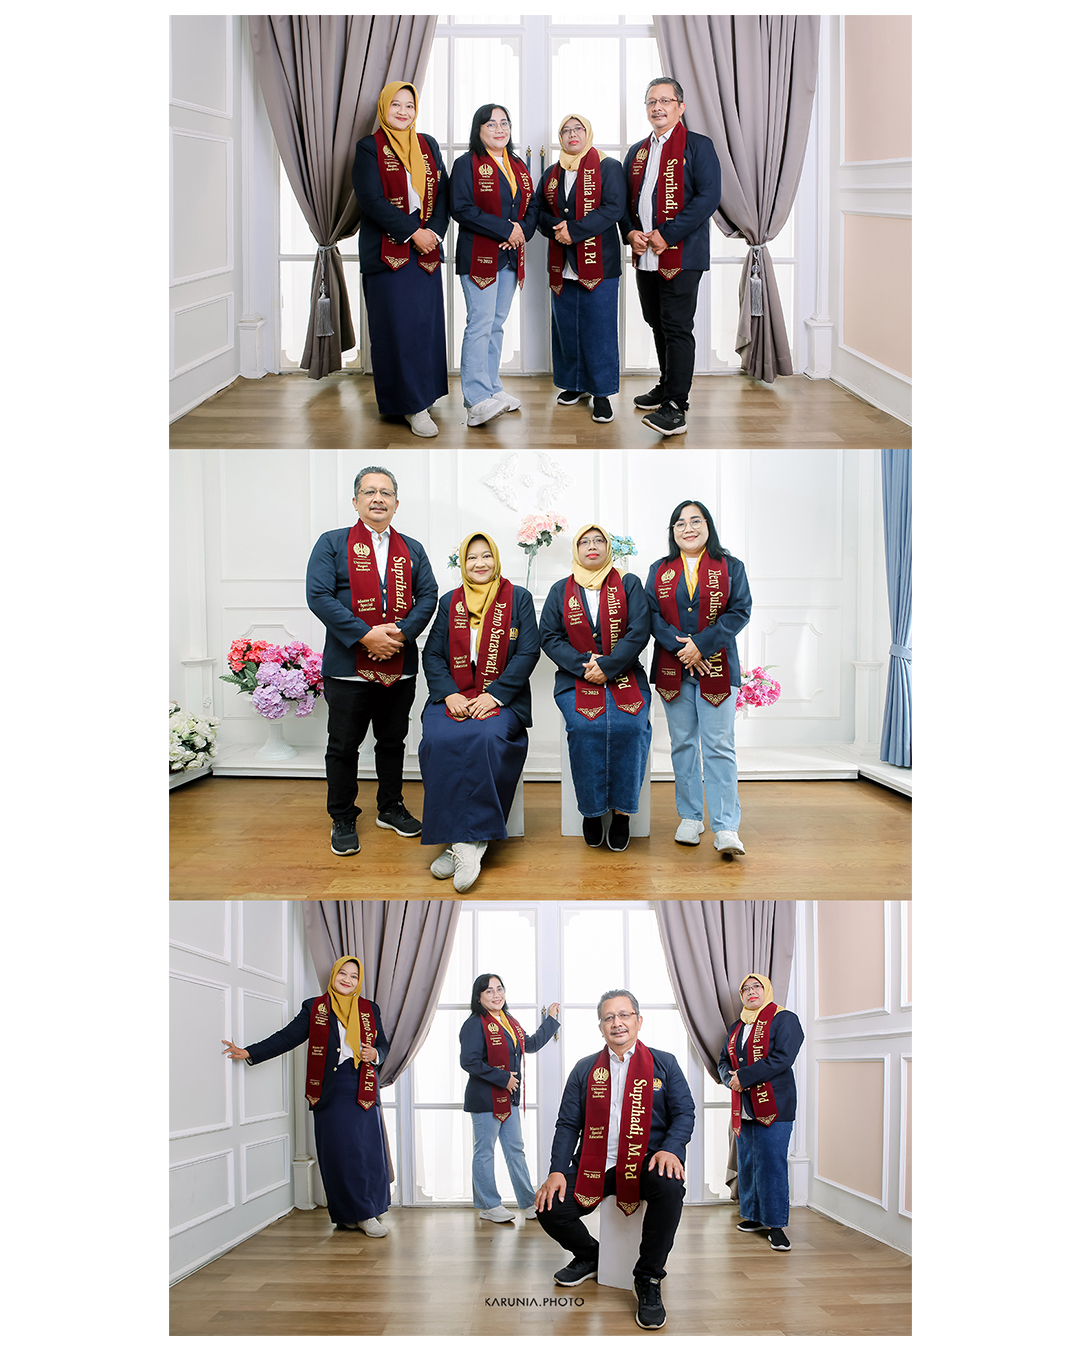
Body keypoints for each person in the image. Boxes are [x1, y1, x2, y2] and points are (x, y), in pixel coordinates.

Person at [534, 989, 695, 1331]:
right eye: (609, 1017)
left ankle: (648, 1278)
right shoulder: (584, 1069)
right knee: (549, 1206)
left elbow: (684, 1112)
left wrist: (671, 1148)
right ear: (600, 1027)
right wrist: (557, 1171)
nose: (617, 1023)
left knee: (670, 1188)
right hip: (598, 1162)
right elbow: (567, 1124)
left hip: (645, 1160)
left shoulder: (664, 1063)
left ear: (638, 1020)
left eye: (624, 1015)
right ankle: (591, 1255)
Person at [306, 466, 438, 856]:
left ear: (396, 503)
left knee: (392, 741)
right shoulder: (332, 543)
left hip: (400, 664)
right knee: (344, 746)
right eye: (369, 492)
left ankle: (390, 806)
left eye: (385, 492)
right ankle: (343, 816)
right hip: (348, 667)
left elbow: (428, 595)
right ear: (355, 501)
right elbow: (319, 595)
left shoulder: (411, 548)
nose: (377, 498)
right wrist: (366, 636)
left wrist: (399, 634)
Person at [221, 956, 392, 1237]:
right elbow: (288, 1037)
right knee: (338, 1153)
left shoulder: (369, 1009)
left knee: (366, 1151)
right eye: (343, 974)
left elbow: (382, 1045)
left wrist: (376, 1054)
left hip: (362, 1084)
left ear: (359, 981)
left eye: (353, 976)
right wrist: (250, 1052)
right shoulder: (316, 1007)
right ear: (334, 975)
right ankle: (349, 1214)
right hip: (330, 1088)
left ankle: (367, 1212)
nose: (347, 980)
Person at [419, 532, 540, 891]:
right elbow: (433, 655)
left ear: (496, 559)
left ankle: (469, 843)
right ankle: (462, 841)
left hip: (502, 698)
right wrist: (449, 694)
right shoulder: (449, 601)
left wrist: (497, 695)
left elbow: (528, 653)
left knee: (486, 736)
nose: (480, 563)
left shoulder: (517, 598)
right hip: (455, 695)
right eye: (471, 558)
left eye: (486, 556)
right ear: (462, 563)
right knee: (438, 740)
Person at [645, 500, 751, 858]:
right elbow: (652, 616)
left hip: (718, 668)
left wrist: (701, 646)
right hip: (673, 670)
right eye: (679, 523)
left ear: (708, 526)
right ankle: (690, 817)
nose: (687, 528)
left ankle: (725, 827)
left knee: (719, 745)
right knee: (683, 744)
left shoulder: (730, 566)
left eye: (695, 521)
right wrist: (683, 649)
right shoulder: (659, 569)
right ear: (672, 531)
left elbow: (740, 610)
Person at [539, 524, 652, 851]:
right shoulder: (561, 590)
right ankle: (591, 811)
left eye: (598, 540)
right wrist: (585, 666)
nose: (592, 546)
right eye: (585, 541)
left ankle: (621, 814)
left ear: (608, 548)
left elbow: (639, 630)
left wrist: (609, 665)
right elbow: (549, 636)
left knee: (631, 726)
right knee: (585, 728)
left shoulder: (628, 583)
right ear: (576, 549)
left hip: (625, 674)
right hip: (577, 677)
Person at [621, 77, 722, 437]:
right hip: (645, 255)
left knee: (678, 327)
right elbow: (625, 203)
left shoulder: (698, 146)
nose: (657, 107)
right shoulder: (637, 152)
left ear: (681, 106)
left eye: (665, 100)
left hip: (682, 255)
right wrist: (630, 232)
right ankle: (666, 385)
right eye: (651, 101)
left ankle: (676, 405)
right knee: (656, 320)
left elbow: (708, 197)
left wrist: (668, 233)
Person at [351, 82, 450, 437]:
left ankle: (425, 394)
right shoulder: (369, 148)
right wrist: (414, 232)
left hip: (425, 253)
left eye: (409, 105)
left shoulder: (428, 145)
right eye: (396, 105)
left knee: (424, 328)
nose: (403, 111)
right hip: (386, 254)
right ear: (384, 108)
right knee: (396, 331)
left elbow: (444, 194)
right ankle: (410, 405)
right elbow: (371, 200)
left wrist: (434, 234)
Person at [450, 104, 538, 427]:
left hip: (509, 257)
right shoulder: (466, 164)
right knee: (480, 323)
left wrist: (520, 233)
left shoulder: (517, 165)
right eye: (491, 124)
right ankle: (475, 401)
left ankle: (492, 388)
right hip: (478, 257)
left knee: (497, 324)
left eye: (504, 123)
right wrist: (506, 229)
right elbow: (460, 208)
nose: (499, 129)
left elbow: (533, 208)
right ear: (478, 130)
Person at [536, 114, 627, 424]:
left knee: (598, 328)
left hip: (599, 262)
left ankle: (601, 393)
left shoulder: (608, 166)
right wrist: (557, 228)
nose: (572, 134)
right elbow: (539, 212)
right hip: (562, 262)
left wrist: (572, 231)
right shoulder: (552, 172)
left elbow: (613, 208)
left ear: (588, 132)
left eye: (578, 129)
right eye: (565, 130)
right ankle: (575, 384)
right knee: (567, 327)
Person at [460, 974, 561, 1223]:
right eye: (489, 991)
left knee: (515, 1150)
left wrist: (551, 1020)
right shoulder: (474, 1023)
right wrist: (503, 1078)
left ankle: (528, 1203)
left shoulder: (509, 1022)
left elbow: (531, 1044)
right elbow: (469, 1061)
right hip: (485, 1099)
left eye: (499, 989)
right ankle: (489, 1205)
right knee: (484, 1152)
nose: (497, 995)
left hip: (509, 1099)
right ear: (479, 997)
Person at [717, 973, 804, 1253]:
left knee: (771, 1163)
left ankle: (776, 1225)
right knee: (749, 1162)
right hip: (744, 1106)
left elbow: (782, 1058)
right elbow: (722, 1060)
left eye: (756, 987)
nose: (751, 991)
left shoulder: (785, 1018)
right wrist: (729, 1078)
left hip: (774, 1105)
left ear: (766, 990)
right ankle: (753, 1216)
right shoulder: (737, 1026)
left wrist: (744, 1077)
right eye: (746, 989)